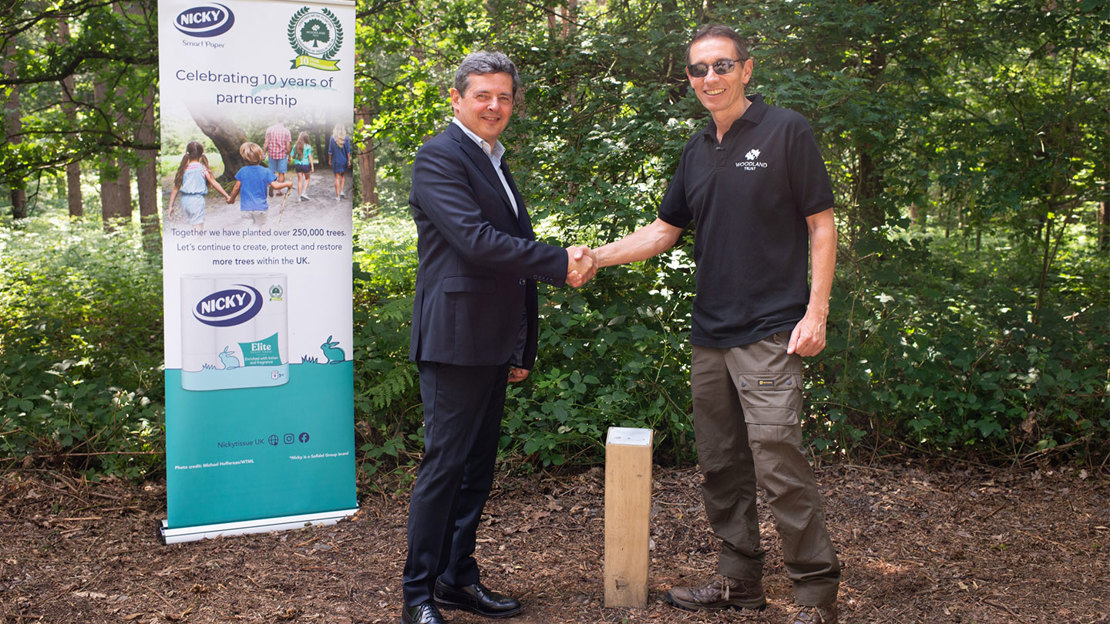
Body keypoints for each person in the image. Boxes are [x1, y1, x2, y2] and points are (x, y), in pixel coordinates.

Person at [590, 24, 841, 624]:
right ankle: (740, 582)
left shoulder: (786, 130)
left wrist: (816, 311)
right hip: (709, 336)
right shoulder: (697, 148)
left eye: (722, 65)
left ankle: (815, 596)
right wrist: (591, 257)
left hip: (771, 331)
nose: (711, 78)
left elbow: (822, 225)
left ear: (746, 70)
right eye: (699, 69)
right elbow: (663, 230)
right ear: (689, 79)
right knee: (722, 466)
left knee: (779, 465)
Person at [400, 51, 596, 624]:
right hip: (455, 339)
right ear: (457, 99)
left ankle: (456, 578)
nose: (494, 106)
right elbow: (475, 241)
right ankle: (417, 595)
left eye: (504, 97)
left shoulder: (493, 159)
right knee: (444, 469)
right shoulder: (440, 155)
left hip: (491, 341)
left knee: (476, 470)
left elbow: (509, 267)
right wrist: (560, 261)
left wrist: (520, 345)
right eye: (482, 95)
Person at [167, 140, 230, 226]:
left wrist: (170, 206)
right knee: (198, 228)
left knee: (194, 226)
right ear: (201, 154)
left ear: (188, 153)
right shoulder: (203, 169)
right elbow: (214, 183)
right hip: (197, 201)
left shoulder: (183, 169)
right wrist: (226, 196)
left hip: (185, 201)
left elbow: (175, 188)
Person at [227, 142, 293, 224]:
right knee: (261, 228)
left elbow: (236, 188)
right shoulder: (266, 171)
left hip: (246, 209)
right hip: (261, 208)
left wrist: (231, 199)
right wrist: (287, 184)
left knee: (248, 230)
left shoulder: (242, 171)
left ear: (245, 159)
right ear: (260, 157)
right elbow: (275, 186)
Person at [263, 120, 291, 197]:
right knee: (281, 173)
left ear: (276, 120)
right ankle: (279, 191)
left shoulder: (269, 129)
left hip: (271, 154)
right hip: (282, 155)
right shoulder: (286, 131)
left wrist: (264, 153)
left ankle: (272, 185)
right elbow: (288, 145)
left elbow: (266, 143)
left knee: (271, 172)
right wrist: (289, 156)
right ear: (283, 121)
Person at [327, 124, 351, 201]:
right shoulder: (346, 138)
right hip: (344, 160)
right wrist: (349, 160)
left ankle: (337, 196)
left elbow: (330, 152)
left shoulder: (332, 138)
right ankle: (342, 192)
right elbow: (348, 151)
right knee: (343, 176)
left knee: (337, 177)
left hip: (336, 160)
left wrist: (330, 160)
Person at [291, 132, 315, 202]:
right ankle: (304, 193)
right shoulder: (308, 146)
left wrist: (297, 156)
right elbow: (310, 157)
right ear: (306, 138)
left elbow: (292, 156)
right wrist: (312, 166)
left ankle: (299, 197)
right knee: (307, 178)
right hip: (305, 164)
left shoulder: (295, 146)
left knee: (300, 181)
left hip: (298, 164)